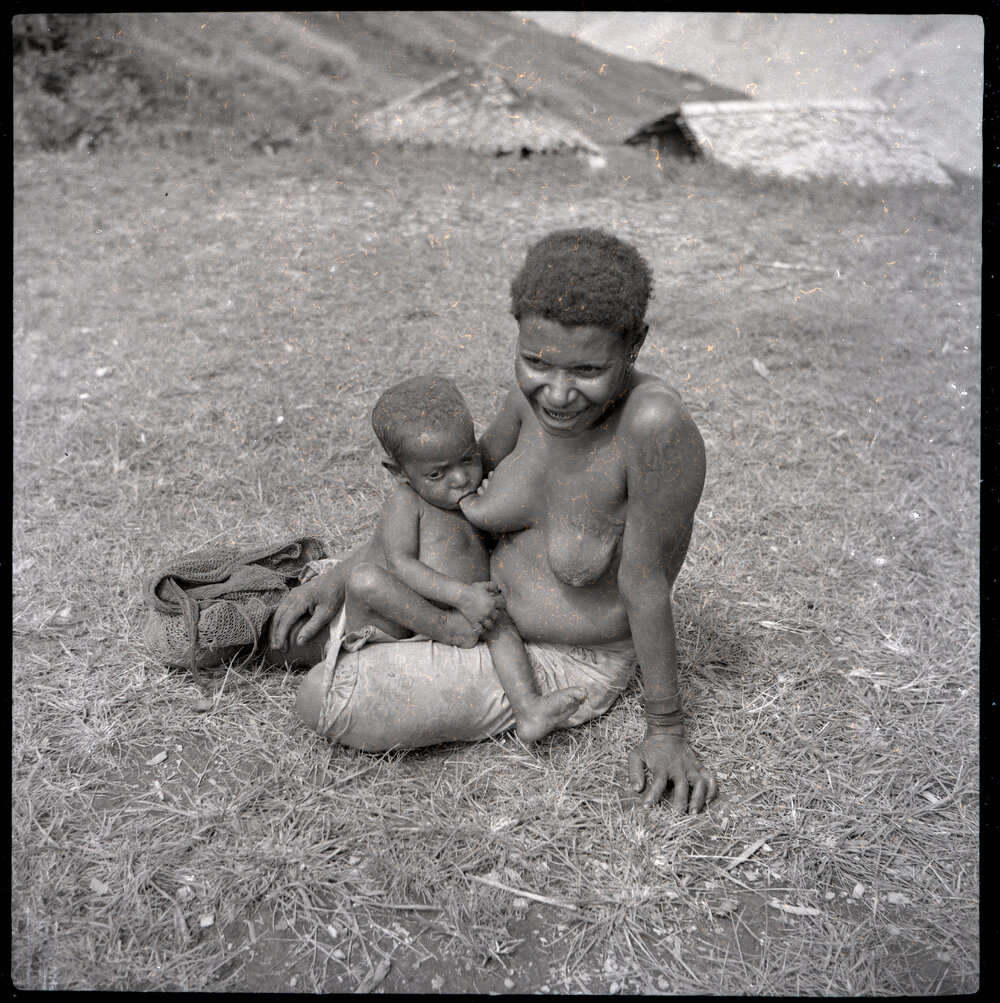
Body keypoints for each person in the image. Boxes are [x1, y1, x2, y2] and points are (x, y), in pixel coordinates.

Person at [270, 228, 718, 813]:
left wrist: (666, 730)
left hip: (557, 656)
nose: (557, 393)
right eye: (536, 361)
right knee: (291, 632)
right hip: (469, 601)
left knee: (325, 698)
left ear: (634, 346)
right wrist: (347, 571)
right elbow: (450, 499)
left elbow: (646, 583)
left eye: (587, 370)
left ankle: (377, 648)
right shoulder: (524, 401)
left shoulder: (652, 427)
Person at [330, 374, 588, 742]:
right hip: (404, 619)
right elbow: (402, 564)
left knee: (500, 622)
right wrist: (459, 599)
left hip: (466, 612)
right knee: (364, 579)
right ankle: (445, 629)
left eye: (467, 459)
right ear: (398, 473)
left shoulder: (475, 493)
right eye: (436, 473)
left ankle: (528, 707)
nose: (460, 479)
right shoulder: (407, 501)